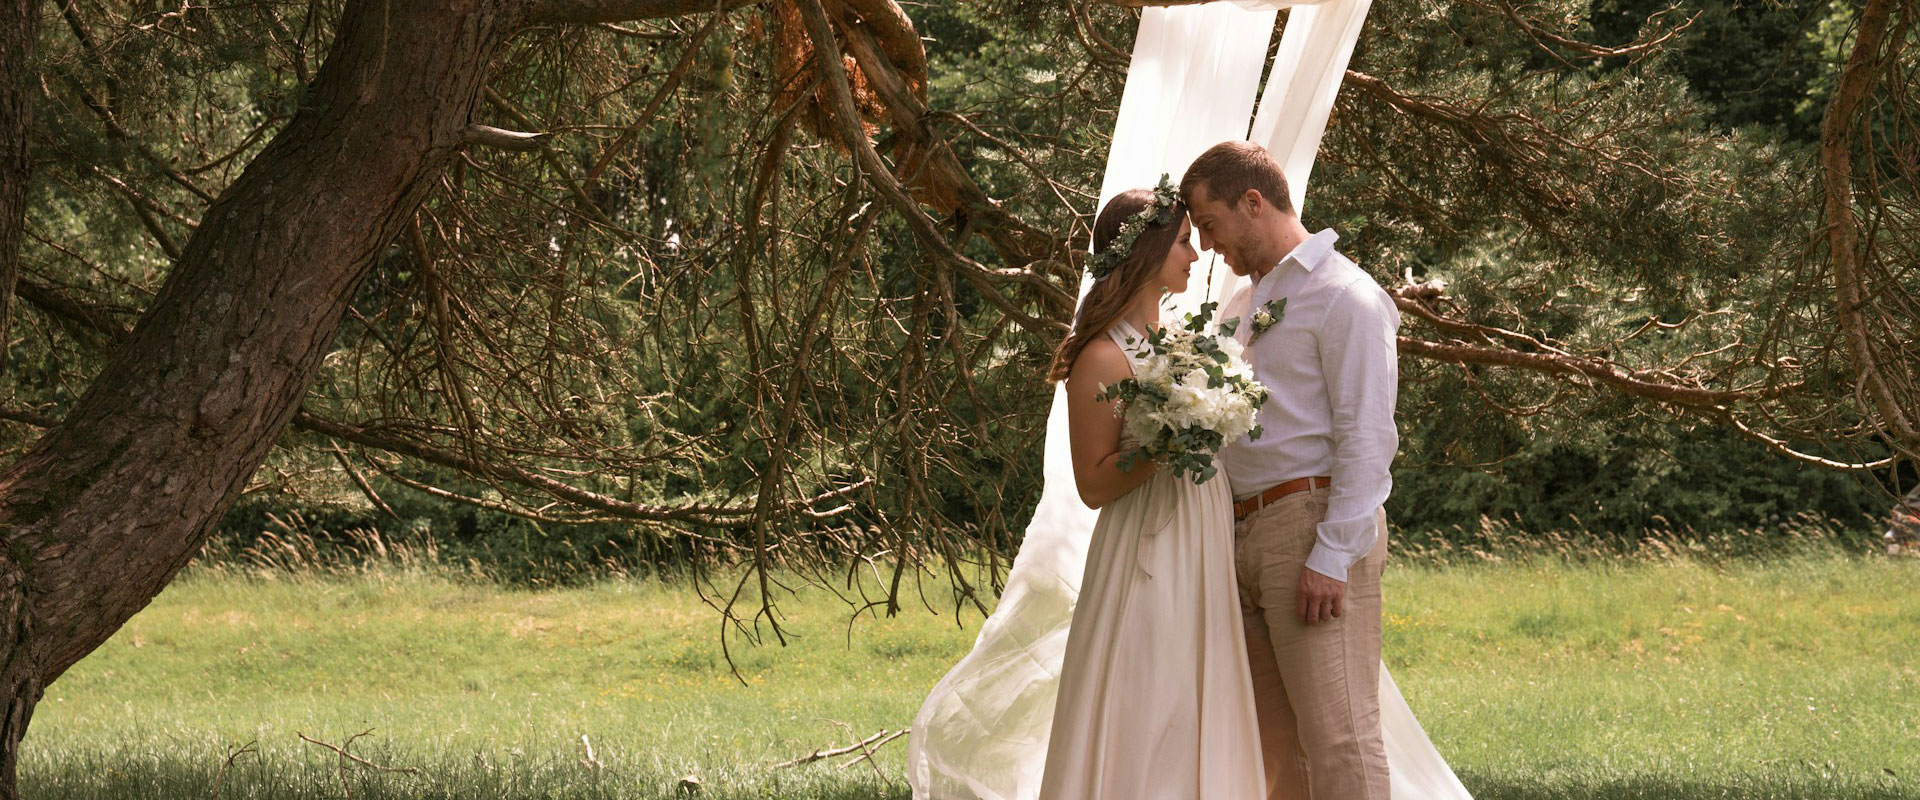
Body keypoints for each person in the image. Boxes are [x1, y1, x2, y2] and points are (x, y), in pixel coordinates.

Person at [1181, 140, 1400, 800]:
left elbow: (1368, 434)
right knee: (1277, 750)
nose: (1209, 245)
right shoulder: (1240, 307)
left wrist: (1332, 554)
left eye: (1211, 225)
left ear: (1254, 202)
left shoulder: (1345, 296)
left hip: (1308, 529)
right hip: (1242, 535)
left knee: (1340, 738)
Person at [1034, 181, 1266, 799]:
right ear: (1148, 251)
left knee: (1202, 679)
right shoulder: (1103, 359)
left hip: (1204, 531)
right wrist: (1170, 443)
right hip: (1147, 543)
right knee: (1152, 678)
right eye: (1186, 242)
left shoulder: (1182, 340)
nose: (1196, 256)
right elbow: (1092, 483)